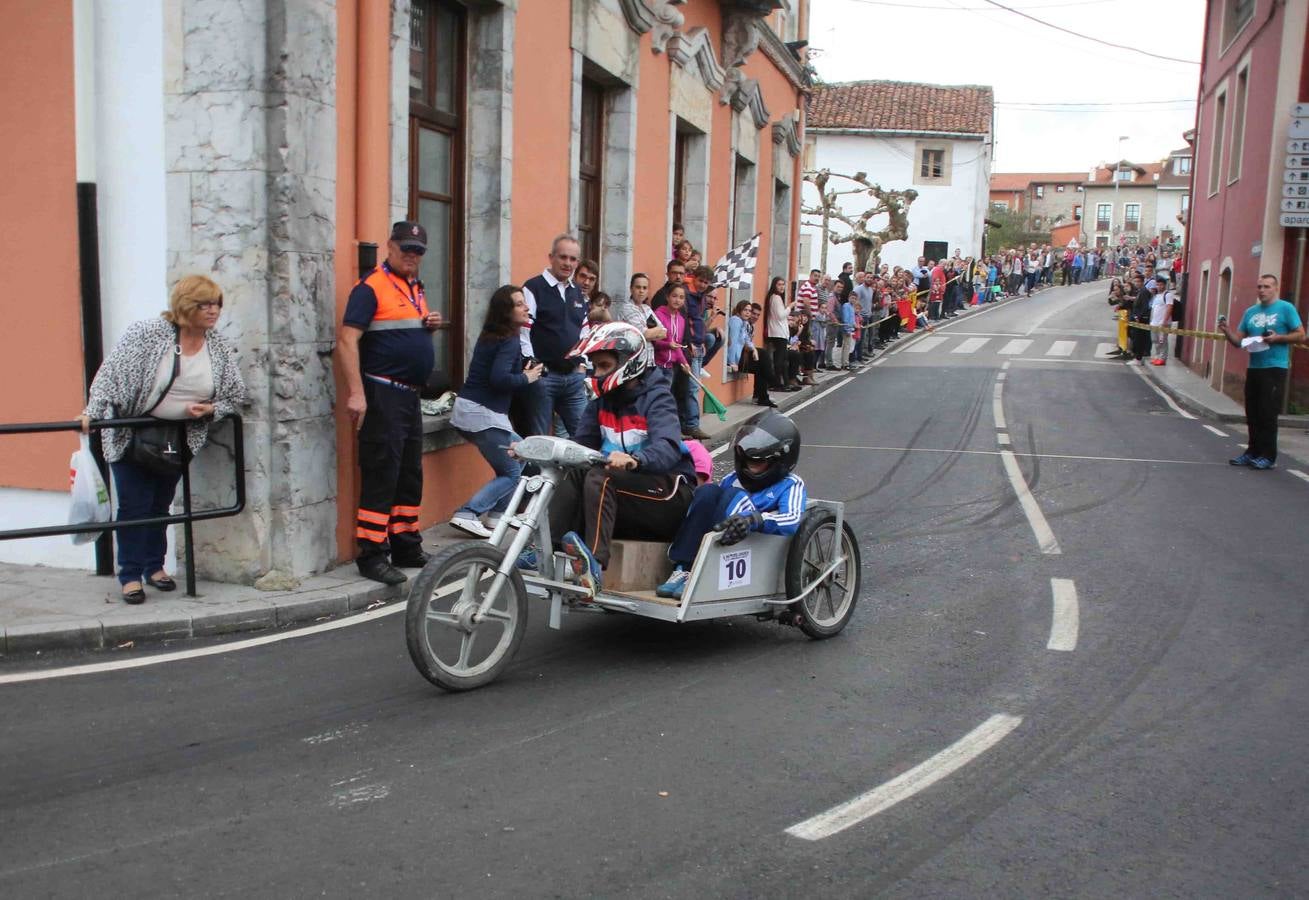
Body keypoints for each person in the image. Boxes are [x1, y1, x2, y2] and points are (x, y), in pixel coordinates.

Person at [80, 275, 246, 603]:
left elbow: (235, 392)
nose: (213, 311)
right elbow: (109, 375)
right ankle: (129, 574)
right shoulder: (149, 333)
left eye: (216, 304)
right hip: (134, 433)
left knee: (161, 501)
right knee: (133, 505)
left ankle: (154, 567)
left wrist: (212, 408)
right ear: (187, 306)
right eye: (205, 304)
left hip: (176, 437)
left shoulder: (216, 343)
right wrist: (92, 412)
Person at [535, 322, 696, 595]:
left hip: (667, 494)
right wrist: (536, 450)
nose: (597, 374)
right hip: (624, 493)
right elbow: (580, 447)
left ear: (628, 362)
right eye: (595, 366)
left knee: (601, 476)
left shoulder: (658, 398)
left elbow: (668, 447)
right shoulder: (601, 401)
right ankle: (545, 550)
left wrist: (636, 460)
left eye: (604, 366)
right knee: (575, 472)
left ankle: (594, 564)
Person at [340, 221, 444, 584]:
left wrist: (427, 325)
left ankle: (405, 544)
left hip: (409, 395)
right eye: (405, 248)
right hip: (382, 392)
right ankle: (371, 554)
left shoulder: (414, 286)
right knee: (382, 472)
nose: (412, 255)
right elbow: (348, 341)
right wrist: (357, 393)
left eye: (418, 251)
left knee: (408, 474)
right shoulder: (370, 287)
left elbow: (399, 330)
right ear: (389, 246)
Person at [656, 412, 807, 599]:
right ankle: (684, 567)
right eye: (748, 460)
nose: (750, 466)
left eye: (758, 461)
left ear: (780, 460)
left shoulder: (790, 484)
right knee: (707, 491)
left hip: (749, 541)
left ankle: (700, 570)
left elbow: (792, 519)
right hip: (724, 535)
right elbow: (711, 510)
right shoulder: (732, 479)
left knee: (735, 495)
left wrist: (754, 519)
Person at [449, 286, 544, 538]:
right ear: (505, 312)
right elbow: (499, 379)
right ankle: (468, 513)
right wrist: (527, 377)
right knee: (512, 470)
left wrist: (520, 372)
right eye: (519, 304)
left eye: (525, 302)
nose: (526, 308)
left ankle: (498, 515)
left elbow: (497, 373)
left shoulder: (496, 335)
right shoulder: (509, 340)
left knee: (522, 454)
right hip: (481, 413)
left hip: (475, 410)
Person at [1217, 274, 1305, 470]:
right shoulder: (1250, 312)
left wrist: (1278, 338)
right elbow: (1238, 341)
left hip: (1275, 368)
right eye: (1259, 287)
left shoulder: (1286, 308)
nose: (1262, 290)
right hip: (1255, 367)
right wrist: (1226, 330)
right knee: (1253, 412)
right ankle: (1252, 452)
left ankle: (1268, 455)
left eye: (1266, 286)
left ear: (1275, 288)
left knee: (1267, 413)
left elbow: (1301, 334)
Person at [521, 233, 589, 438]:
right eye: (563, 257)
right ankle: (535, 472)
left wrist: (583, 364)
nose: (568, 263)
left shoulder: (577, 292)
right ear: (551, 257)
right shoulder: (533, 288)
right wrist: (532, 363)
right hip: (545, 378)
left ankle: (584, 473)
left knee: (585, 437)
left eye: (573, 259)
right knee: (539, 440)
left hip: (573, 378)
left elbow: (585, 330)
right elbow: (524, 330)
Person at [727, 299, 776, 407]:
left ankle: (761, 397)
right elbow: (732, 342)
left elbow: (746, 341)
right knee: (763, 354)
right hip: (736, 359)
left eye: (749, 310)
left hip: (740, 357)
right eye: (745, 310)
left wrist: (753, 350)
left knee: (761, 364)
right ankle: (772, 381)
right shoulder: (736, 320)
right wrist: (732, 362)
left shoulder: (744, 323)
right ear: (739, 310)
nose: (748, 313)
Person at [763, 277, 792, 390]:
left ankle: (783, 383)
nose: (782, 287)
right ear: (774, 285)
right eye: (779, 284)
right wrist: (790, 307)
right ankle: (776, 383)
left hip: (779, 332)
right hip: (778, 333)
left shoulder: (774, 298)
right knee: (779, 360)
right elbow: (780, 315)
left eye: (783, 284)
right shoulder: (776, 298)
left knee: (781, 359)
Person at [1148, 275, 1173, 366]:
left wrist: (1164, 321)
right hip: (1154, 323)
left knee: (1162, 341)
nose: (1159, 287)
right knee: (1155, 340)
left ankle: (1163, 358)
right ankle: (1157, 356)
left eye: (1161, 285)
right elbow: (1154, 309)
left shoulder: (1168, 295)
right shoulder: (1157, 296)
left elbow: (1169, 308)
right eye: (1157, 285)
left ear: (1165, 285)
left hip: (1163, 323)